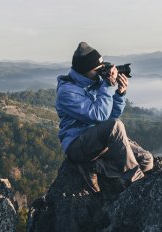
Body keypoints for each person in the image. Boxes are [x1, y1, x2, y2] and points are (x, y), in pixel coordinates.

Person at [55, 42, 153, 192]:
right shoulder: (67, 92)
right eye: (98, 69)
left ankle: (95, 167)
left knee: (146, 160)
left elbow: (109, 116)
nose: (102, 72)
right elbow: (99, 116)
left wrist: (120, 94)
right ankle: (134, 182)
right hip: (78, 145)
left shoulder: (96, 82)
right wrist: (106, 86)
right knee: (116, 125)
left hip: (99, 141)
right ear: (85, 70)